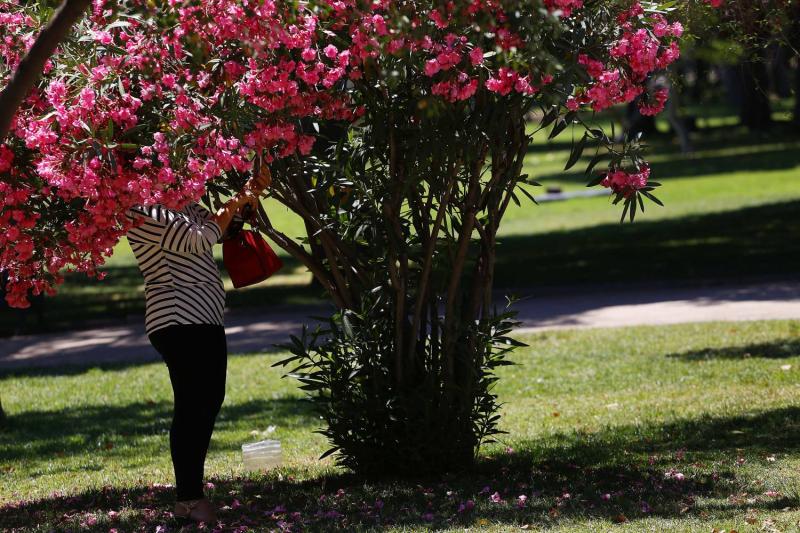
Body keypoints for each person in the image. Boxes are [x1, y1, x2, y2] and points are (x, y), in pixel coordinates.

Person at [126, 165, 271, 524]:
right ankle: (188, 500)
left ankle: (190, 497)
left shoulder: (179, 199)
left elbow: (220, 230)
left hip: (202, 317)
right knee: (194, 406)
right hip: (177, 319)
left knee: (207, 402)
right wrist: (236, 200)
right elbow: (199, 238)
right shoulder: (142, 208)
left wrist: (248, 197)